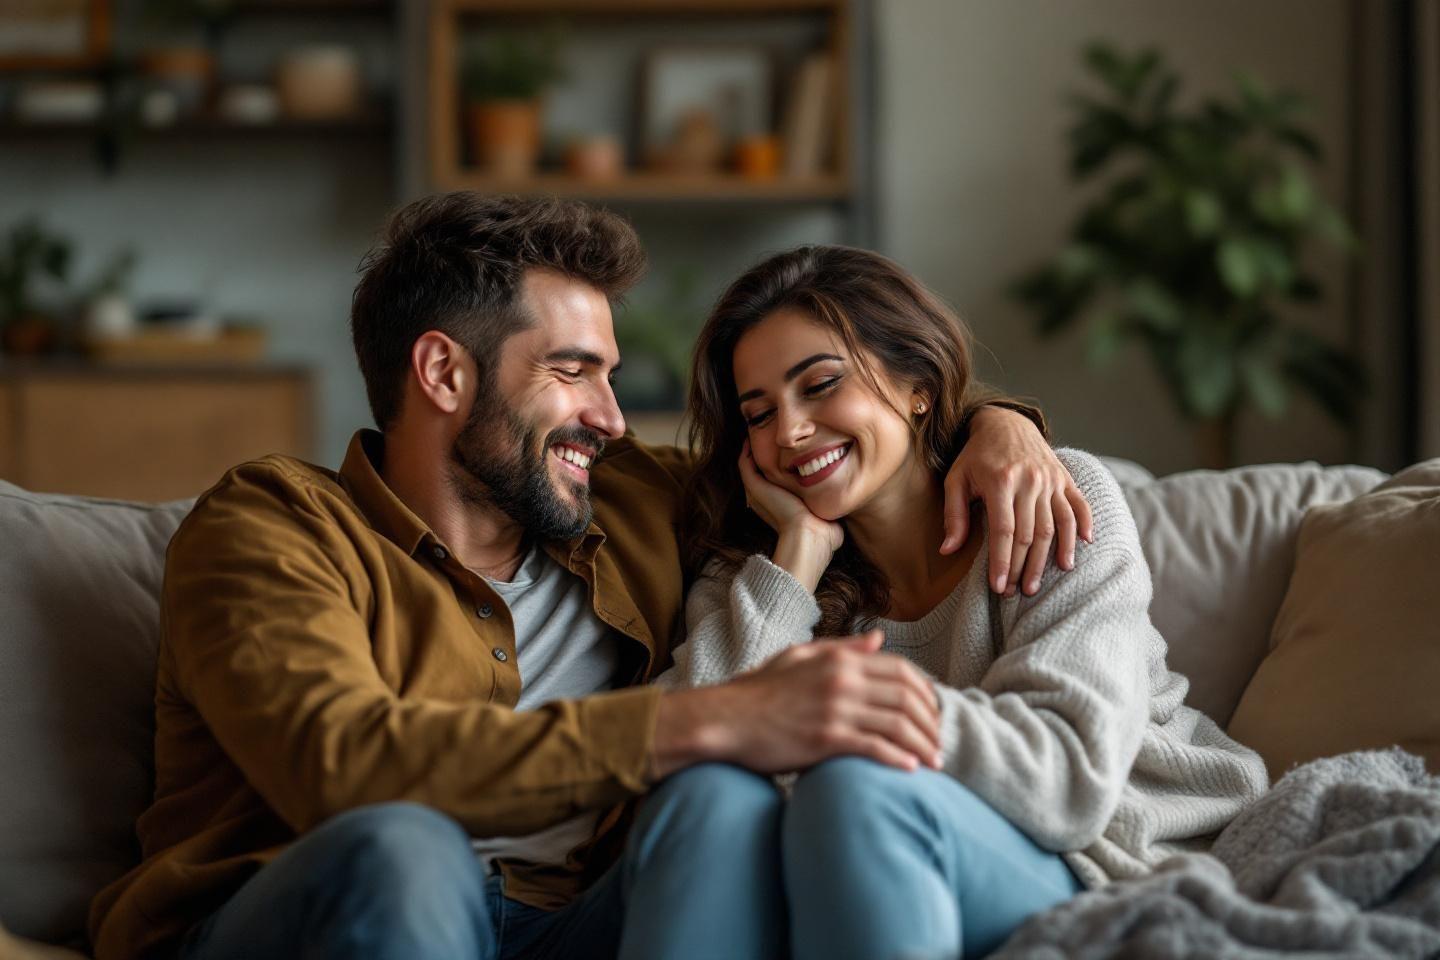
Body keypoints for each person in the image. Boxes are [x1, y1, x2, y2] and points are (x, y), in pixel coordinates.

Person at [86, 195, 1090, 960]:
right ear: (443, 374)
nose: (611, 416)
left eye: (611, 375)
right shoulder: (271, 526)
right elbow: (344, 767)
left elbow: (842, 438)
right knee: (407, 848)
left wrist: (1000, 430)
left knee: (723, 809)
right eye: (574, 372)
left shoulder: (628, 500)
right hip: (305, 910)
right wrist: (710, 721)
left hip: (565, 926)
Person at [663, 244, 1270, 960]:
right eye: (758, 415)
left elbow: (1070, 772)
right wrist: (794, 561)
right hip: (883, 854)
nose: (789, 431)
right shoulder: (755, 578)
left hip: (1115, 849)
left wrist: (840, 709)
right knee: (830, 791)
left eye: (821, 384)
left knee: (856, 787)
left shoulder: (1048, 500)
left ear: (917, 383)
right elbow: (685, 756)